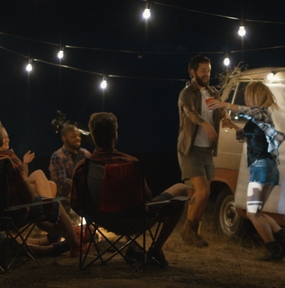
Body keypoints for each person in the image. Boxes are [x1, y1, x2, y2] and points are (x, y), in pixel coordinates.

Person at [71, 112, 188, 267]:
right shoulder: (131, 163)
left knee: (123, 200)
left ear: (92, 137)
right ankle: (155, 251)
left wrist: (94, 212)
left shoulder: (83, 167)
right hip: (136, 221)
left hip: (99, 218)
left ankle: (132, 247)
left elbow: (75, 203)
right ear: (115, 136)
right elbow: (146, 200)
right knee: (182, 189)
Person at [0, 108, 81, 257]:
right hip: (10, 216)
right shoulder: (8, 159)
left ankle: (64, 236)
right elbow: (31, 198)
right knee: (54, 205)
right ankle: (75, 243)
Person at [208, 81, 285, 261]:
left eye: (248, 95)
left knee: (252, 213)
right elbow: (247, 137)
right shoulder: (259, 118)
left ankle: (273, 249)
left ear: (255, 96)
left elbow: (246, 111)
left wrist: (225, 104)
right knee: (258, 211)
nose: (246, 98)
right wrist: (232, 126)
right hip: (269, 168)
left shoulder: (261, 112)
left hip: (261, 168)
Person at [177, 55, 227, 248]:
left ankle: (192, 231)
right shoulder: (186, 93)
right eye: (203, 71)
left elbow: (220, 111)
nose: (207, 74)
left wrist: (227, 117)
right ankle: (187, 231)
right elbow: (189, 112)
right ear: (193, 72)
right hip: (190, 149)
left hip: (207, 150)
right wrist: (204, 123)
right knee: (203, 190)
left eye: (209, 70)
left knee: (200, 195)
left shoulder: (213, 92)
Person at [1, 127, 57, 198]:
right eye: (4, 138)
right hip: (13, 187)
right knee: (38, 174)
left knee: (52, 185)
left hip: (20, 184)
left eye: (8, 137)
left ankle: (47, 207)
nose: (7, 140)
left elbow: (24, 175)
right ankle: (50, 207)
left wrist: (25, 163)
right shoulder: (1, 156)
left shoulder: (10, 154)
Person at [49, 124, 91, 208]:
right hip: (68, 201)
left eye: (79, 135)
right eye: (73, 136)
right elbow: (59, 180)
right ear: (64, 138)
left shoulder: (85, 153)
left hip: (87, 197)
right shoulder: (58, 156)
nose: (78, 138)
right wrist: (78, 183)